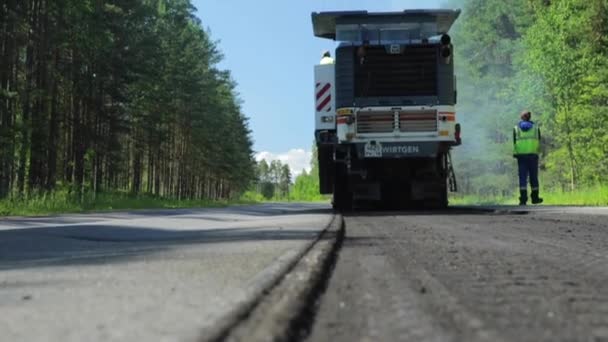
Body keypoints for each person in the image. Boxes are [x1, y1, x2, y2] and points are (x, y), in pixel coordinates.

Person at [513, 110, 543, 205]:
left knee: (523, 177)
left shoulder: (516, 128)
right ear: (529, 117)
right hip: (533, 155)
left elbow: (514, 142)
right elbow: (539, 140)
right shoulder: (535, 128)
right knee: (533, 176)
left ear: (522, 117)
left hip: (521, 156)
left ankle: (523, 199)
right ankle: (535, 198)